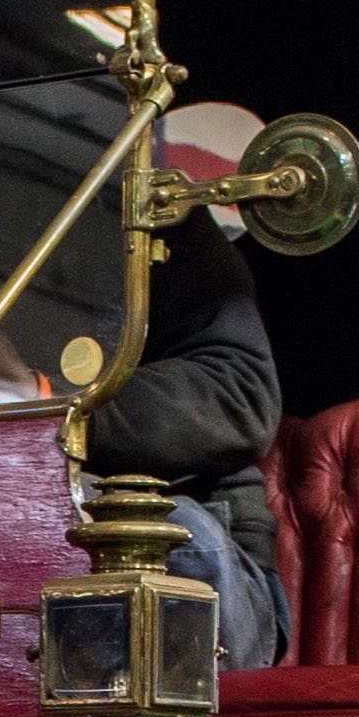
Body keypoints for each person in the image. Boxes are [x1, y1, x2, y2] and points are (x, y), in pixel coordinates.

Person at [80, 212, 291, 668]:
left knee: (161, 533)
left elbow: (240, 393)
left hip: (197, 539)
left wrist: (50, 404)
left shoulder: (147, 213)